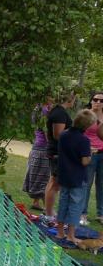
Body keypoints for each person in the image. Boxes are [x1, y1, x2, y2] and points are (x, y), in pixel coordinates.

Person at [56, 109, 95, 244]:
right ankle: (71, 235)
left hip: (64, 175)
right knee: (75, 205)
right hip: (77, 177)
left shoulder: (63, 135)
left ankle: (60, 232)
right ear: (87, 125)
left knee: (63, 203)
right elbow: (85, 161)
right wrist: (90, 154)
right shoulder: (84, 140)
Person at [43, 90, 76, 223]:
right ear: (70, 99)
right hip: (58, 152)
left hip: (57, 151)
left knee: (53, 182)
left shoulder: (58, 111)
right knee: (55, 184)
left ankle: (49, 211)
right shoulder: (60, 113)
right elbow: (58, 135)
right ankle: (49, 214)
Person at [22, 99, 52, 211]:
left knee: (38, 175)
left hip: (37, 147)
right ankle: (47, 207)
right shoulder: (44, 110)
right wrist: (52, 146)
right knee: (45, 177)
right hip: (43, 148)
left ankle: (36, 202)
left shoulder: (38, 108)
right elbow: (46, 131)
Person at [81, 91, 103, 225]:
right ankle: (83, 213)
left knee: (101, 185)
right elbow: (77, 133)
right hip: (90, 154)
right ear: (91, 101)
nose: (98, 102)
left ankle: (101, 214)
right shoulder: (85, 115)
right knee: (86, 184)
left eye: (101, 101)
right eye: (95, 99)